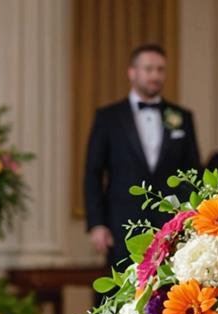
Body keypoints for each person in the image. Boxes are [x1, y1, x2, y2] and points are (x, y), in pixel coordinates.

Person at [84, 43, 201, 271]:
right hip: (122, 223)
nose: (155, 75)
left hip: (170, 223)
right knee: (120, 293)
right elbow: (93, 172)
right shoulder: (108, 117)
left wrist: (189, 218)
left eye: (160, 69)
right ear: (132, 72)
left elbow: (191, 172)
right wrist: (96, 224)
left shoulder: (181, 117)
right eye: (149, 69)